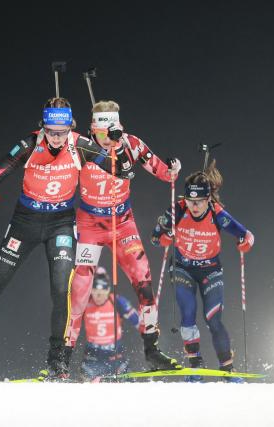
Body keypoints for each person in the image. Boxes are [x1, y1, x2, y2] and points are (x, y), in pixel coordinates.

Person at [0, 97, 134, 379]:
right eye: (51, 132)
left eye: (62, 132)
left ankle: (58, 363)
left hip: (60, 224)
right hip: (25, 223)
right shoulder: (31, 143)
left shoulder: (80, 144)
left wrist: (118, 143)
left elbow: (125, 171)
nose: (56, 138)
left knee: (61, 290)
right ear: (42, 126)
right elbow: (2, 167)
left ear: (71, 128)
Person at [65, 100, 182, 370]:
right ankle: (65, 354)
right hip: (90, 224)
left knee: (143, 277)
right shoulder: (82, 146)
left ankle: (152, 350)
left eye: (113, 133)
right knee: (81, 288)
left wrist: (173, 169)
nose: (109, 141)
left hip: (122, 223)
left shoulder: (129, 144)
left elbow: (163, 173)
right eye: (103, 135)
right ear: (93, 131)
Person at [150, 160, 254, 381]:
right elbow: (154, 237)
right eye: (190, 200)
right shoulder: (176, 210)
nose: (194, 206)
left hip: (210, 270)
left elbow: (246, 234)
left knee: (213, 319)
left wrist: (245, 242)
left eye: (199, 201)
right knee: (188, 313)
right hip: (182, 268)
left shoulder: (217, 213)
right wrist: (165, 237)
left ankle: (228, 370)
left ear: (209, 199)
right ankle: (195, 365)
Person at [78, 267, 140, 381]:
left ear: (108, 290)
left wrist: (150, 330)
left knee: (129, 384)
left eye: (102, 293)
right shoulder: (85, 303)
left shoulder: (116, 301)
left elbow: (138, 322)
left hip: (116, 358)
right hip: (92, 359)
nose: (98, 297)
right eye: (95, 293)